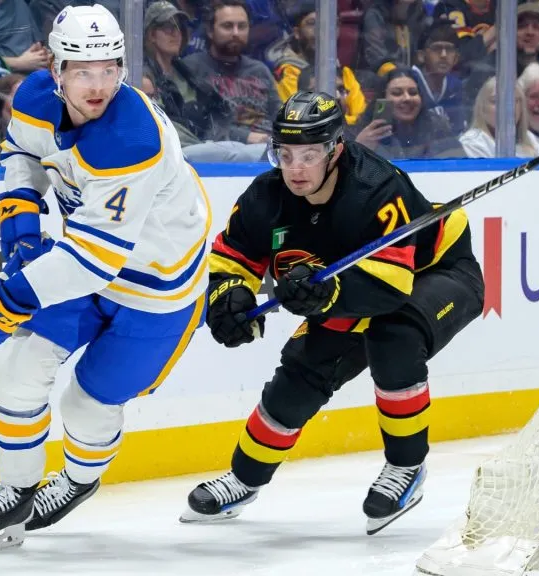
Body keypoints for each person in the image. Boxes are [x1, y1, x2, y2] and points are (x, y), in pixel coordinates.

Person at [0, 3, 209, 553]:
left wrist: (3, 300)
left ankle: (78, 481)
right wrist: (21, 224)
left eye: (109, 68)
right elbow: (22, 154)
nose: (98, 84)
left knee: (86, 404)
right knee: (17, 370)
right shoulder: (36, 98)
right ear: (56, 70)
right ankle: (14, 493)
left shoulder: (133, 139)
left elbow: (91, 259)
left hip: (159, 289)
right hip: (89, 269)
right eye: (83, 71)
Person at [180, 92, 484, 535]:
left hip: (437, 270)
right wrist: (229, 297)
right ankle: (245, 480)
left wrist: (325, 295)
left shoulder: (375, 187)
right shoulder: (266, 197)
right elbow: (232, 260)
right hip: (349, 291)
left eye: (308, 155)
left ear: (335, 148)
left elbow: (391, 288)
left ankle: (406, 467)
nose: (295, 168)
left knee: (392, 335)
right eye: (285, 155)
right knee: (300, 375)